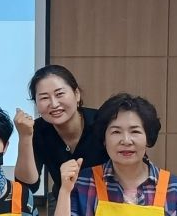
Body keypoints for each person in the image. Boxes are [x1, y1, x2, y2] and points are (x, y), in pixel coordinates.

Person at [14, 64, 108, 199]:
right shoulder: (37, 131)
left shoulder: (103, 124)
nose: (54, 104)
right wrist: (25, 137)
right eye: (44, 98)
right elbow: (28, 186)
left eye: (59, 94)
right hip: (63, 201)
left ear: (76, 94)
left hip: (108, 202)